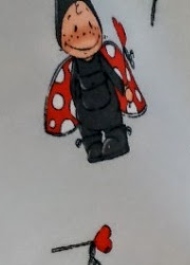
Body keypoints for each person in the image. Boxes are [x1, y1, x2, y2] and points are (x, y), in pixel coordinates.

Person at [55, 0, 130, 162]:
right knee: (88, 129)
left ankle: (116, 140)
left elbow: (112, 74)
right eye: (74, 31)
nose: (83, 36)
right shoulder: (74, 67)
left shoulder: (102, 58)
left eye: (90, 26)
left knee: (113, 123)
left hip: (107, 102)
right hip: (86, 107)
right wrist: (75, 105)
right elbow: (72, 88)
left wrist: (123, 89)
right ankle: (92, 145)